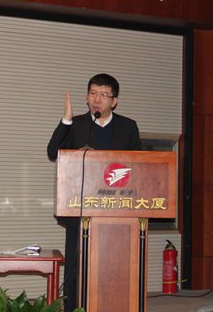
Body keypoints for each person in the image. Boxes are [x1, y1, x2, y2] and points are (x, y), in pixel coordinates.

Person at [47, 73, 141, 312]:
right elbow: (52, 152)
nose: (97, 99)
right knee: (76, 268)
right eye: (93, 93)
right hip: (79, 207)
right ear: (87, 97)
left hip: (116, 211)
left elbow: (139, 166)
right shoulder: (76, 124)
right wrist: (66, 120)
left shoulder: (128, 127)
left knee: (113, 266)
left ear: (114, 101)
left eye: (103, 95)